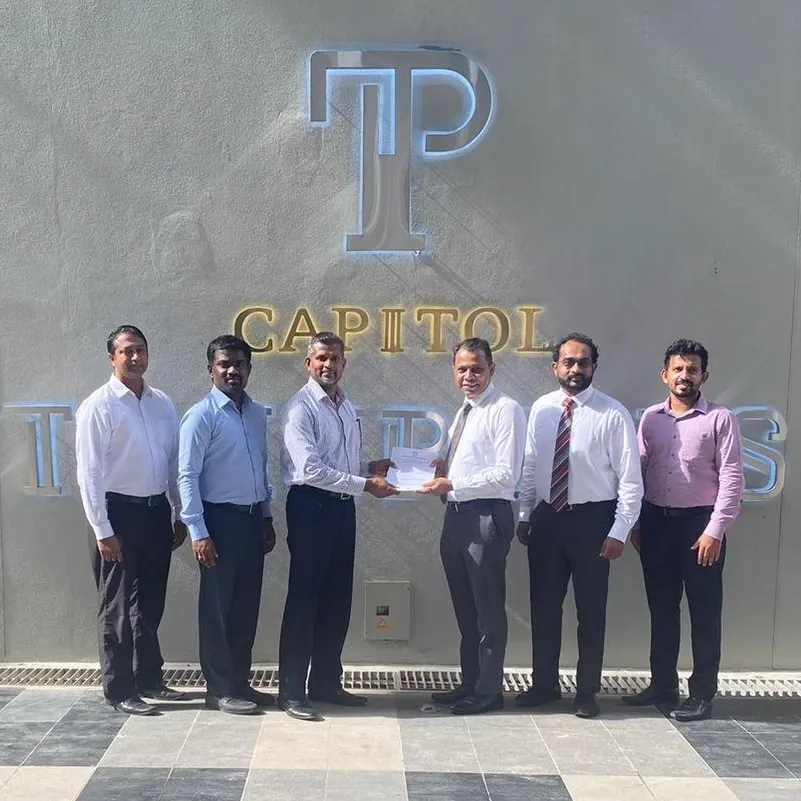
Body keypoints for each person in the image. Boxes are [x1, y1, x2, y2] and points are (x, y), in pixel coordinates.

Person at [516, 333, 643, 719]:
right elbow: (530, 465)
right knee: (543, 607)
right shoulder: (542, 409)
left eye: (583, 362)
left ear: (594, 367)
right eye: (568, 362)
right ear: (555, 366)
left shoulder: (612, 413)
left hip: (593, 521)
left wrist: (619, 530)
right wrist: (524, 515)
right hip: (548, 519)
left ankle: (587, 691)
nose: (575, 369)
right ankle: (544, 685)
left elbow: (630, 480)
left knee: (590, 612)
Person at [278, 332, 398, 721]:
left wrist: (370, 469)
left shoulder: (346, 405)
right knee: (305, 600)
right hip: (311, 508)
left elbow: (341, 464)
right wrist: (365, 484)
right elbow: (310, 469)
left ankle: (326, 682)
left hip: (343, 509)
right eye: (321, 358)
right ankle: (291, 691)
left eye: (335, 359)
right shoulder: (300, 408)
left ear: (344, 364)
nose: (328, 365)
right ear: (308, 363)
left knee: (336, 598)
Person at [623, 339, 743, 721]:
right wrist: (636, 524)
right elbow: (639, 472)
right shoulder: (651, 418)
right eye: (678, 369)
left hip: (700, 527)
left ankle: (702, 693)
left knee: (704, 614)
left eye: (692, 369)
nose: (684, 376)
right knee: (662, 610)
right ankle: (663, 685)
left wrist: (715, 530)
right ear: (665, 375)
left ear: (703, 376)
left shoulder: (720, 418)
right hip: (656, 523)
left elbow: (732, 476)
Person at [76, 325, 188, 715]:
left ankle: (149, 678)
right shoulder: (99, 406)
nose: (136, 357)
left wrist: (178, 512)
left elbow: (173, 463)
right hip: (116, 515)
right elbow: (89, 474)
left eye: (141, 349)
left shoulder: (162, 403)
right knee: (117, 608)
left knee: (150, 604)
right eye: (127, 351)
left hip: (156, 513)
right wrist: (102, 530)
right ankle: (119, 689)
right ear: (112, 358)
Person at [418, 338, 526, 715]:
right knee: (466, 609)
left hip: (486, 516)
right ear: (453, 371)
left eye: (477, 369)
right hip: (457, 516)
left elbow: (506, 474)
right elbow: (466, 464)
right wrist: (440, 469)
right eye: (462, 369)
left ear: (491, 370)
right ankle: (471, 682)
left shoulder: (505, 409)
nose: (469, 376)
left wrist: (453, 483)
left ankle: (489, 690)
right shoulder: (464, 410)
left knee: (488, 610)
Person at [178, 334, 276, 716]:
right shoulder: (201, 415)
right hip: (218, 522)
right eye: (224, 364)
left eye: (239, 364)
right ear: (211, 370)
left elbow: (261, 466)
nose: (233, 370)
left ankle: (239, 682)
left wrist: (266, 515)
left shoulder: (256, 413)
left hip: (251, 521)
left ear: (249, 369)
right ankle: (218, 689)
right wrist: (198, 532)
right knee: (217, 610)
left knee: (245, 607)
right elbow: (187, 476)